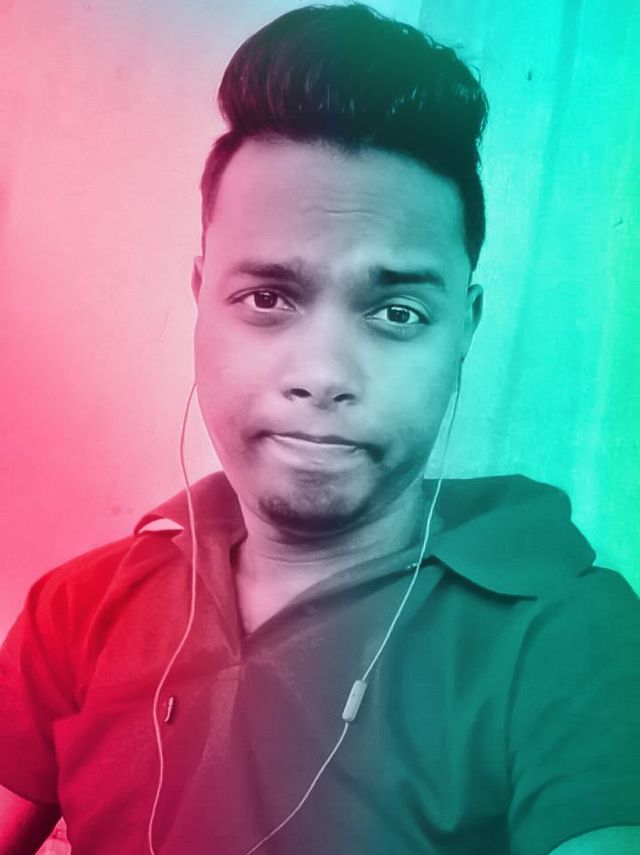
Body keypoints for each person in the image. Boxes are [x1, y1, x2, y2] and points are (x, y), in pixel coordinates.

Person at [1, 4, 639, 854]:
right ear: (202, 298)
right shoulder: (75, 612)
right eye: (268, 297)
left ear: (465, 329)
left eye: (398, 311)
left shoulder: (564, 635)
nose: (324, 373)